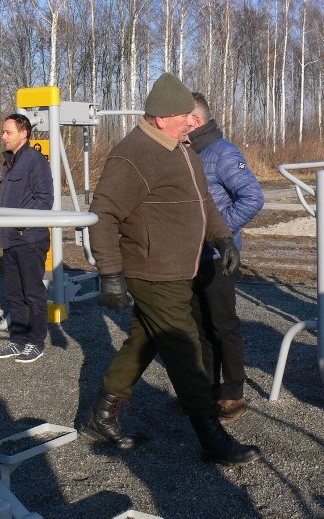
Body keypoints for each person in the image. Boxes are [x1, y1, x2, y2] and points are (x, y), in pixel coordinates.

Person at [80, 72, 261, 466]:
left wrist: (223, 238)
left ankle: (101, 415)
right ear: (161, 117)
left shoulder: (180, 148)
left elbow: (205, 204)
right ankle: (212, 438)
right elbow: (104, 214)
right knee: (184, 350)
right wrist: (110, 273)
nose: (191, 122)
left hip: (181, 268)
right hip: (153, 271)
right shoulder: (134, 154)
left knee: (144, 340)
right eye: (184, 116)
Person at [188, 92, 264, 423]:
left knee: (223, 324)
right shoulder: (188, 153)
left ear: (195, 120)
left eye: (181, 116)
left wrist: (218, 231)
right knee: (200, 326)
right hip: (191, 257)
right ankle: (205, 392)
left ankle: (232, 394)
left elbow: (252, 198)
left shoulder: (222, 153)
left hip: (218, 256)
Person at [0, 113, 53, 364]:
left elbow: (44, 200)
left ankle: (35, 343)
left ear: (23, 133)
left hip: (29, 239)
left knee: (33, 293)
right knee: (13, 293)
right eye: (3, 132)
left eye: (8, 132)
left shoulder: (35, 161)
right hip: (10, 239)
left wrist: (20, 224)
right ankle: (17, 341)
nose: (3, 136)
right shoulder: (9, 163)